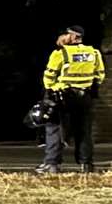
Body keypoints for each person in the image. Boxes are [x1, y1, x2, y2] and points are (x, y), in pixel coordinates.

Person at [37, 25, 105, 174]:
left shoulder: (60, 53)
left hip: (63, 96)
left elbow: (49, 76)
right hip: (85, 96)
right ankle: (86, 164)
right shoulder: (94, 53)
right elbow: (100, 75)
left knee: (54, 128)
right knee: (84, 130)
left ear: (73, 37)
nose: (63, 37)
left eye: (66, 35)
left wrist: (51, 89)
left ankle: (52, 164)